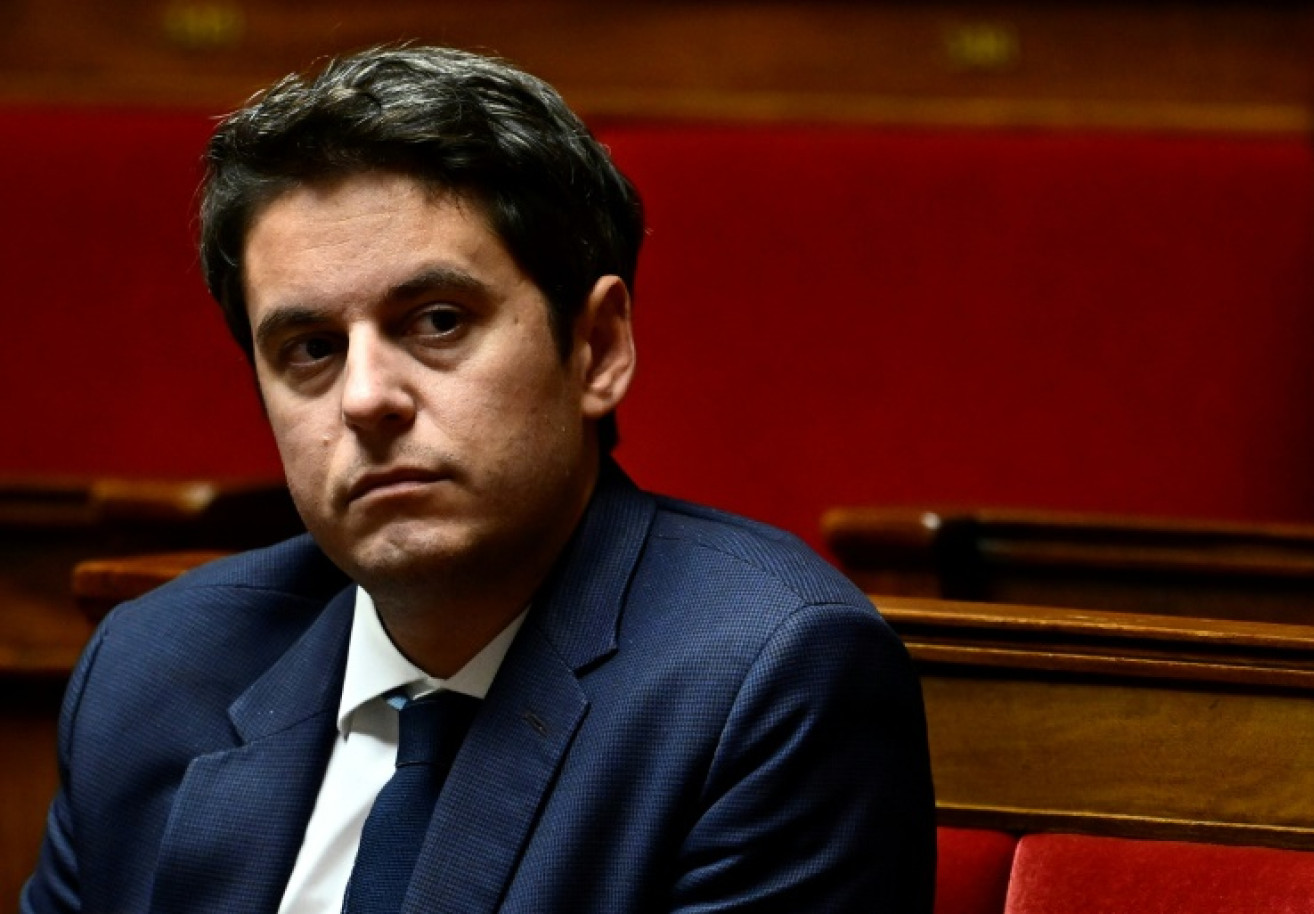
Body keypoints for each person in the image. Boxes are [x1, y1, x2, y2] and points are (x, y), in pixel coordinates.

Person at [22, 45, 935, 914]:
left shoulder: (765, 680)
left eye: (439, 320)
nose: (367, 398)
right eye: (311, 349)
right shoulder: (153, 669)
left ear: (597, 349)